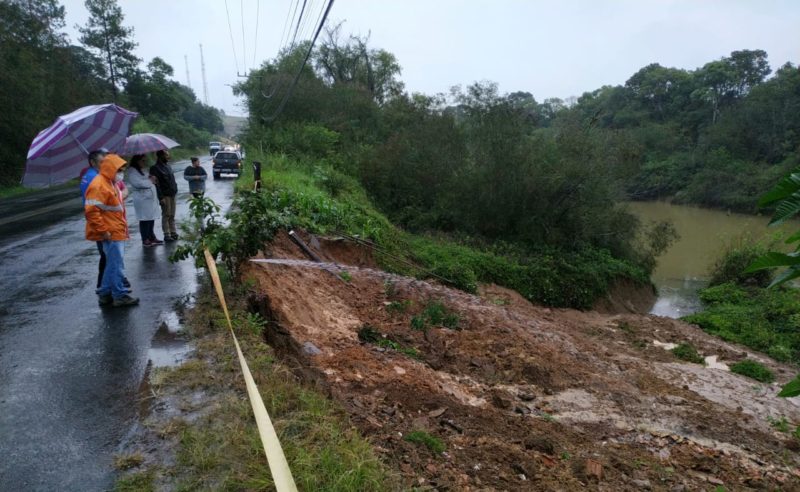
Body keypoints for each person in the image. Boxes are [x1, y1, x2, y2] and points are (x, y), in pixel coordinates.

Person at [84, 154, 139, 307]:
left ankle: (105, 293)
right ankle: (119, 295)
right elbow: (91, 212)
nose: (121, 173)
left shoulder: (109, 182)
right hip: (110, 232)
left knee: (112, 264)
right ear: (110, 169)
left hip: (114, 229)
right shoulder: (99, 185)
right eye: (119, 170)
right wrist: (103, 231)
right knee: (116, 265)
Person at [80, 148, 131, 290]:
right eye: (102, 162)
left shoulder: (107, 180)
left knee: (111, 261)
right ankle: (115, 290)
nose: (104, 165)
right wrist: (103, 230)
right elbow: (93, 209)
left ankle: (106, 290)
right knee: (111, 262)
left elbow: (121, 193)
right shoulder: (95, 181)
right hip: (108, 228)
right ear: (93, 162)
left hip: (114, 226)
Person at [127, 154, 164, 247]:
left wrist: (152, 177)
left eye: (145, 160)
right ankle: (145, 239)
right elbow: (138, 183)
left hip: (149, 198)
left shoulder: (142, 169)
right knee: (144, 219)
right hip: (142, 199)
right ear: (137, 161)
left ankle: (152, 237)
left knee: (151, 218)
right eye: (143, 161)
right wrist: (150, 180)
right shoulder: (132, 171)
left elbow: (148, 178)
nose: (145, 162)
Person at [150, 149, 179, 241]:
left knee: (172, 214)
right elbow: (156, 184)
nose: (168, 157)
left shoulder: (168, 166)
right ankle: (167, 234)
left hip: (172, 193)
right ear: (161, 156)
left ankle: (173, 232)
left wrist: (175, 189)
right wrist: (160, 197)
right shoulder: (155, 168)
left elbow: (172, 180)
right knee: (166, 214)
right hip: (165, 195)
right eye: (166, 155)